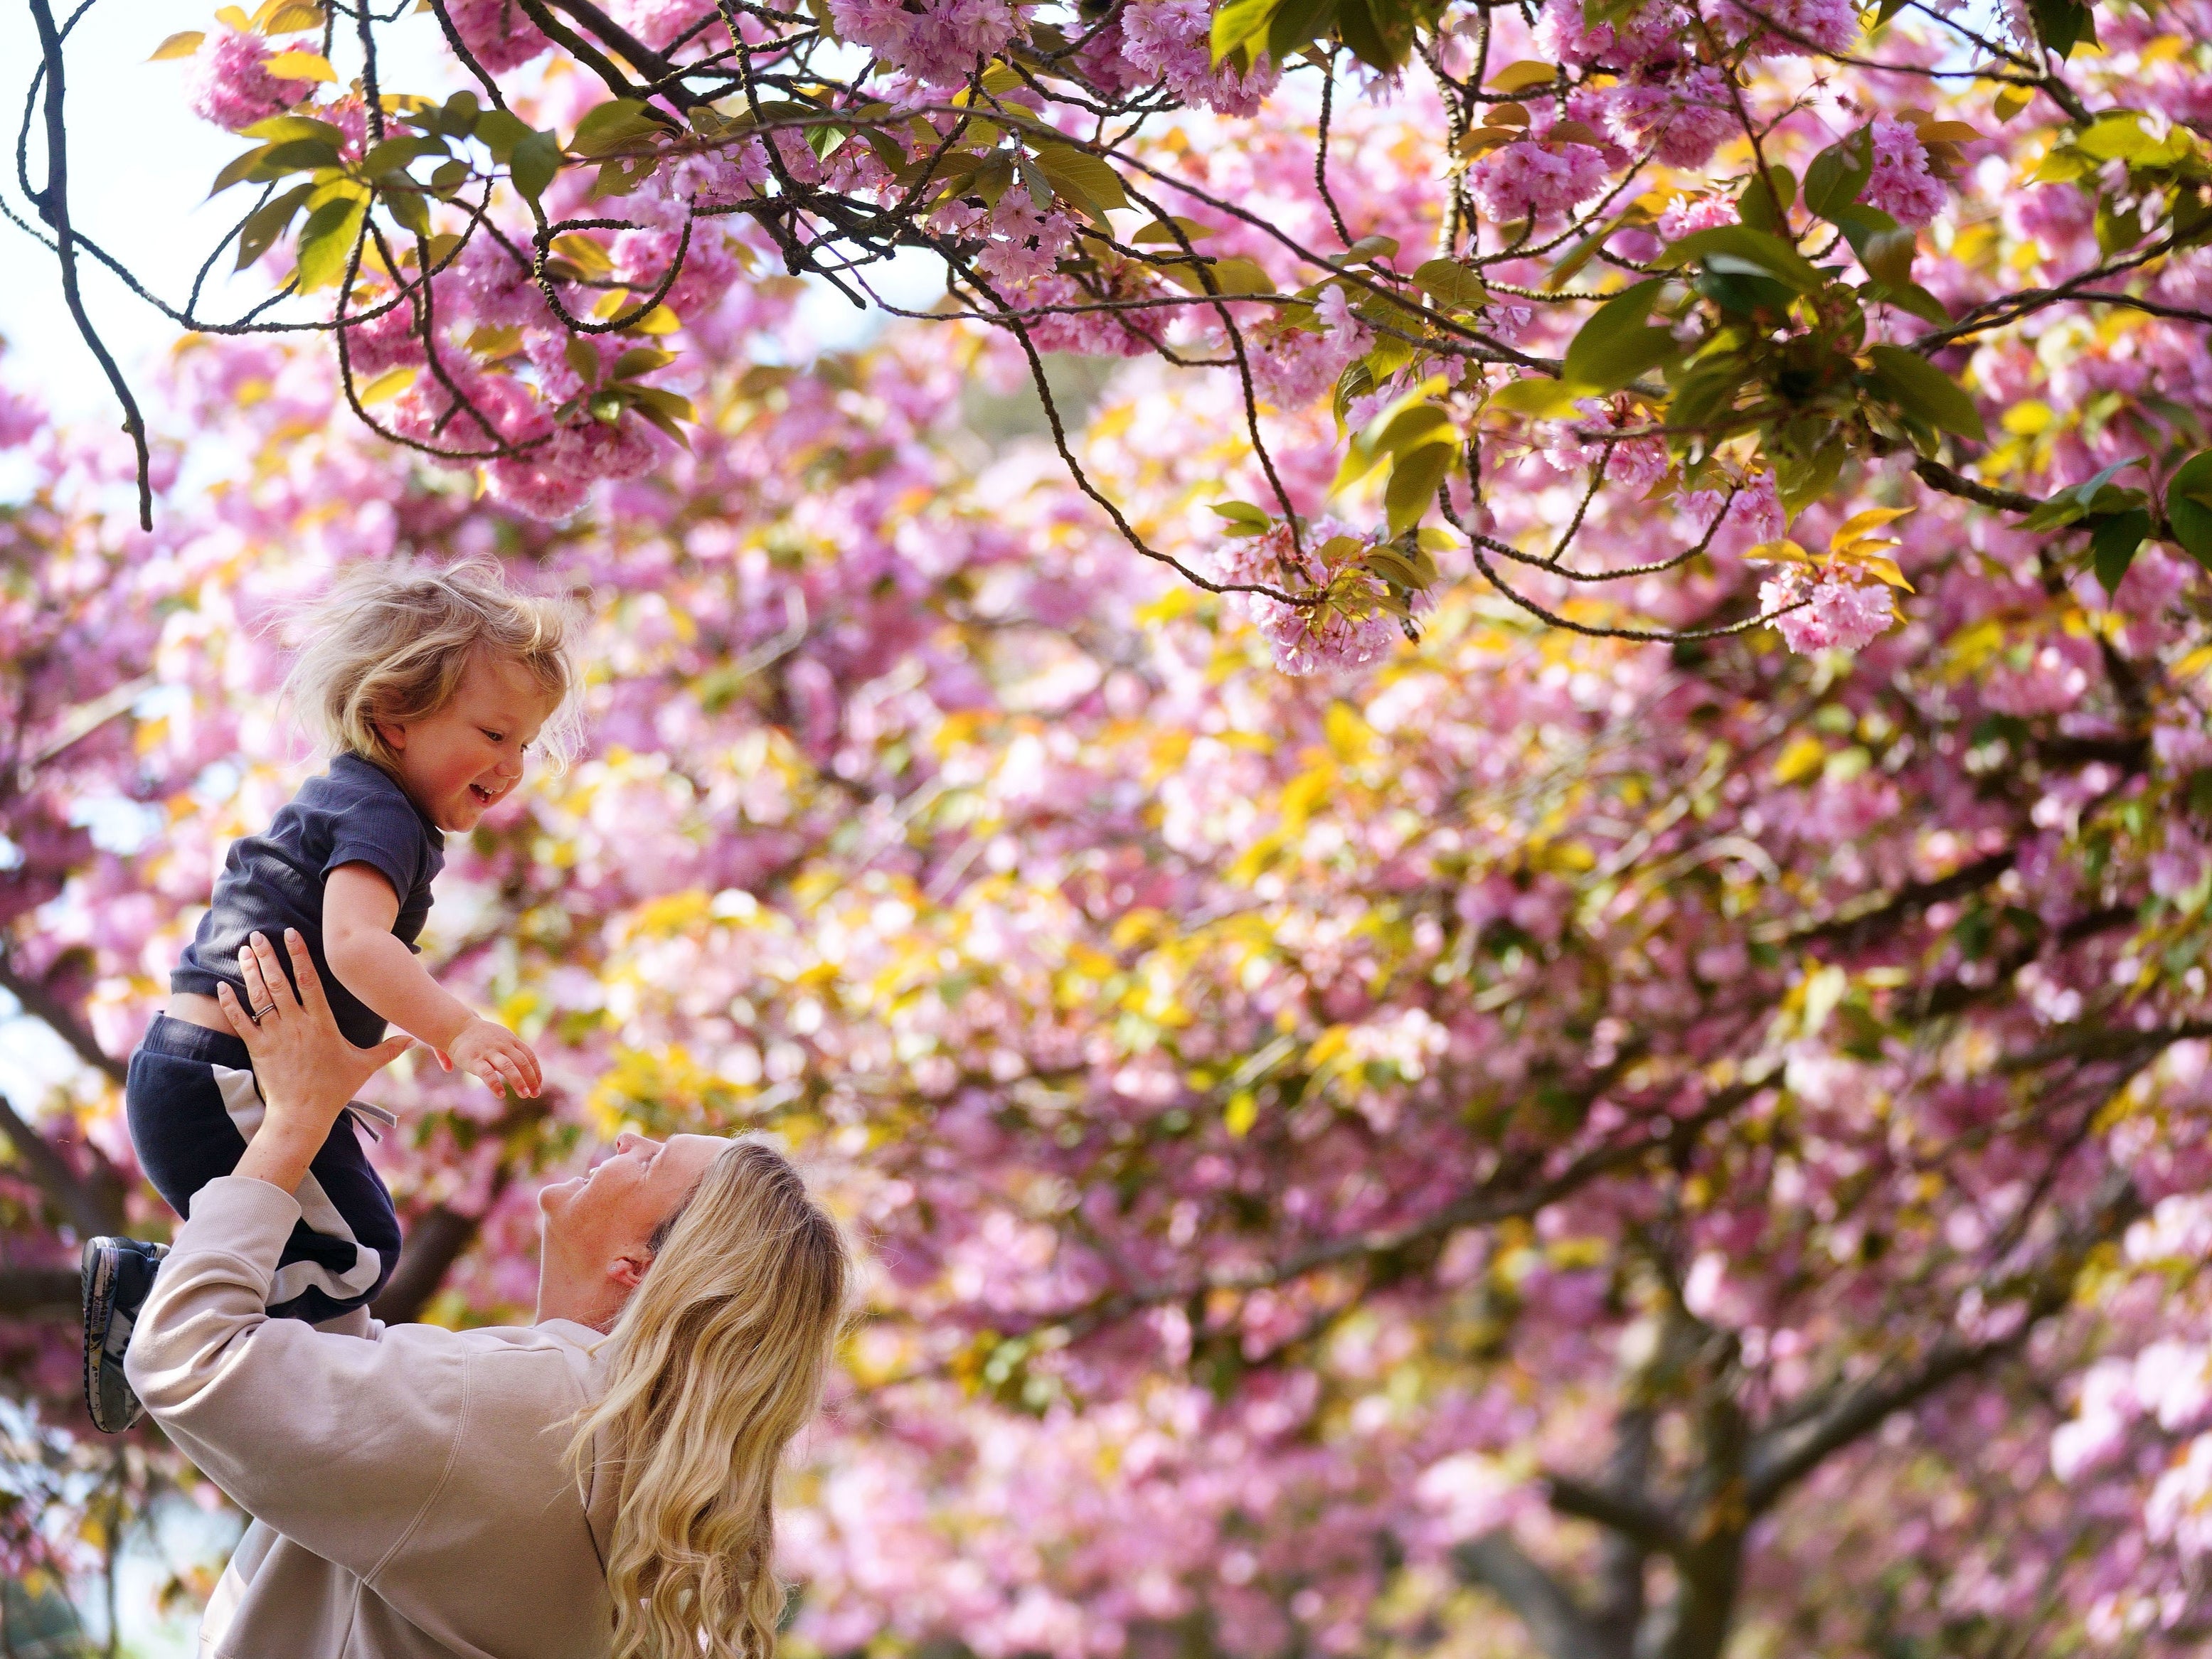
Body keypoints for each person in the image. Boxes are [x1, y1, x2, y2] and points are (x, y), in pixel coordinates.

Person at [126, 929, 851, 1659]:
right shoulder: (624, 1471)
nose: (629, 1137)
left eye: (654, 1158)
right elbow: (355, 1403)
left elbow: (187, 1357)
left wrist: (294, 1118)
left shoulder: (530, 1410)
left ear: (641, 1262)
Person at [84, 558, 581, 1432]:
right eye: (495, 733)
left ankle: (187, 1314)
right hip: (224, 1079)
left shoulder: (358, 801)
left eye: (525, 745)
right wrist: (456, 1029)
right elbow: (355, 944)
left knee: (344, 1243)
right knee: (350, 1251)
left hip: (200, 1072)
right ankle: (167, 1304)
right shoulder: (383, 814)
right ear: (394, 717)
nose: (512, 766)